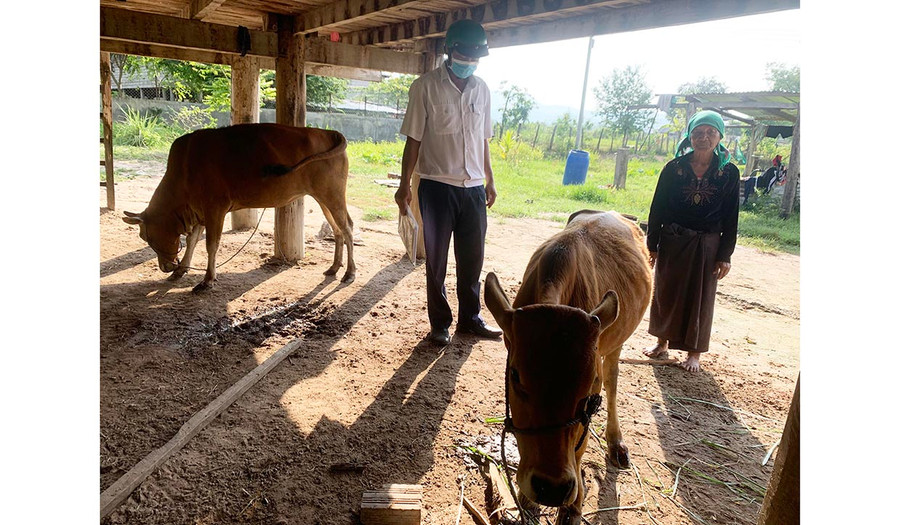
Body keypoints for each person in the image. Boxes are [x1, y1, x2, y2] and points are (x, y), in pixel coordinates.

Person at [394, 19, 501, 346]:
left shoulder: (482, 89)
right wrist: (403, 186)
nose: (469, 62)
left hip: (473, 192)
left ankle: (470, 319)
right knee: (436, 263)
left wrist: (490, 181)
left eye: (475, 57)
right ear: (449, 51)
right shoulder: (425, 87)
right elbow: (413, 140)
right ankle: (440, 323)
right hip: (436, 188)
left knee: (472, 261)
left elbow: (483, 140)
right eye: (464, 55)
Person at [642, 110, 740, 372]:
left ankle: (694, 353)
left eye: (710, 133)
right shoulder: (674, 169)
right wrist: (653, 245)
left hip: (707, 244)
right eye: (698, 132)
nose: (703, 138)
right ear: (689, 136)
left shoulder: (728, 173)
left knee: (701, 297)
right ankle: (662, 343)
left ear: (720, 137)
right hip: (673, 239)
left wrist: (725, 255)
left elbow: (732, 217)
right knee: (667, 291)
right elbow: (658, 208)